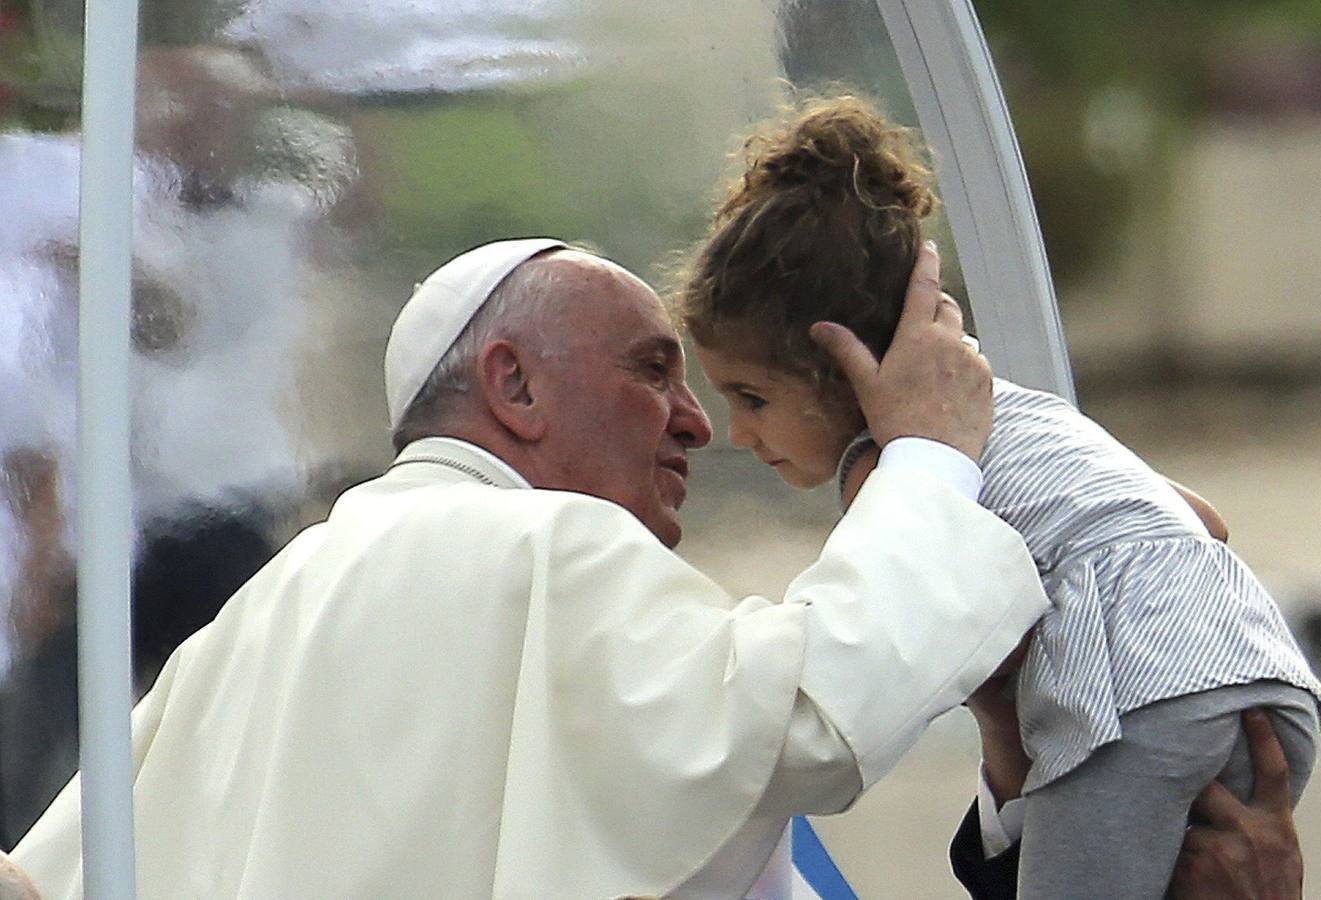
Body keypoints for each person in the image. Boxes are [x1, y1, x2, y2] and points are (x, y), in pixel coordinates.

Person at [14, 237, 1050, 897]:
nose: (695, 424)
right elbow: (813, 716)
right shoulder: (543, 545)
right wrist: (925, 456)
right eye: (653, 371)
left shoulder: (249, 620)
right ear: (512, 386)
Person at [675, 95, 1321, 898]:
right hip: (1258, 674)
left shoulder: (898, 474)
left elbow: (860, 663)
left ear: (845, 367)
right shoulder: (1027, 413)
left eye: (752, 397)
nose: (737, 433)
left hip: (1129, 706)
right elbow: (1204, 521)